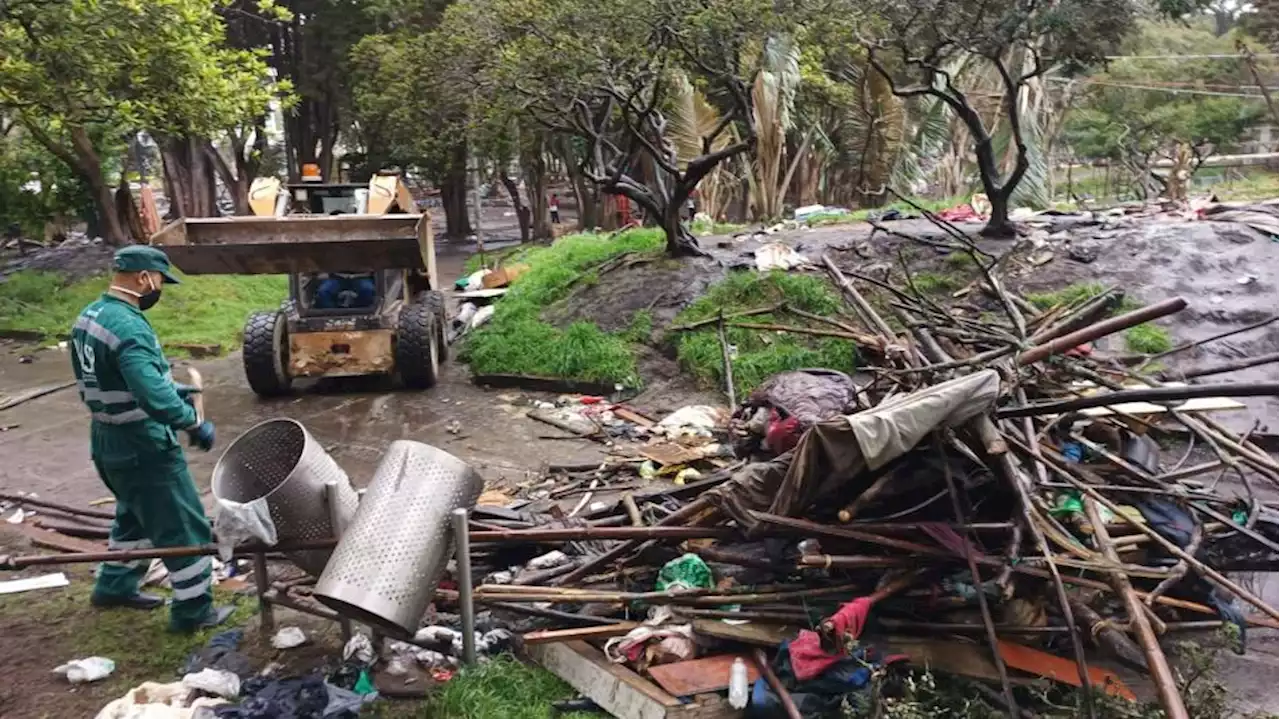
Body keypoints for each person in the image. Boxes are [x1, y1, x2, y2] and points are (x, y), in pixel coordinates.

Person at [70, 246, 229, 633]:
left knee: (133, 517)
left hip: (107, 438)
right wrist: (191, 423)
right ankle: (193, 612)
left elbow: (119, 377)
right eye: (159, 280)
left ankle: (113, 587)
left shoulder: (91, 316)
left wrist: (169, 386)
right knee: (183, 527)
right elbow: (151, 397)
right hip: (142, 444)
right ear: (143, 278)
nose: (160, 288)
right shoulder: (130, 327)